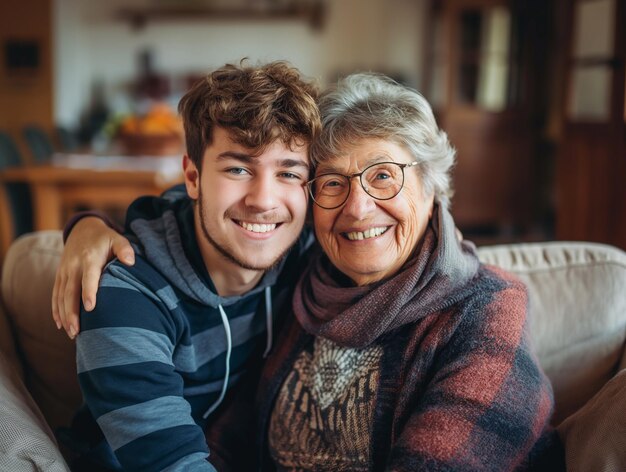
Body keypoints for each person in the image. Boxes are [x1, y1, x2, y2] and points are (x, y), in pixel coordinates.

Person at [56, 73, 562, 470]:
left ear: (430, 189)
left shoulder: (484, 308)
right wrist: (87, 228)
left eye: (383, 176)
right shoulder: (309, 275)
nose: (358, 209)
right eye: (334, 183)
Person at [54, 60, 321, 471]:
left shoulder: (304, 250)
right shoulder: (124, 298)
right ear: (193, 177)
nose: (264, 201)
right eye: (237, 168)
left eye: (288, 173)